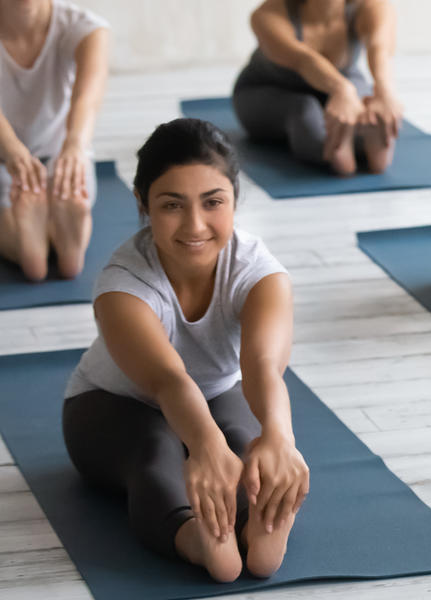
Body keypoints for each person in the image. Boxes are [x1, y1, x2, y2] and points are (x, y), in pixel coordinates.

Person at [62, 119, 305, 583]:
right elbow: (168, 380)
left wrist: (278, 438)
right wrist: (205, 446)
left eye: (212, 202)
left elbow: (262, 366)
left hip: (217, 394)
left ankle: (262, 523)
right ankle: (199, 540)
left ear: (234, 198)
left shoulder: (261, 273)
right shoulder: (122, 286)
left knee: (246, 440)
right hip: (112, 406)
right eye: (172, 205)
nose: (195, 226)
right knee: (157, 453)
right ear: (143, 203)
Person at [0, 0, 108, 281]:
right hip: (8, 155)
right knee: (57, 189)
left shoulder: (87, 28)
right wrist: (12, 151)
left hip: (63, 156)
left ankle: (37, 243)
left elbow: (88, 97)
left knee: (68, 187)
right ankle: (49, 243)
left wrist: (75, 146)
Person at [233, 0, 401, 175]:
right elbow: (304, 61)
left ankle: (362, 143)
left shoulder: (372, 6)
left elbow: (379, 47)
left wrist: (384, 91)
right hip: (271, 89)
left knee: (369, 109)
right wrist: (342, 90)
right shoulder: (267, 15)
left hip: (345, 80)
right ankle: (338, 150)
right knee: (304, 112)